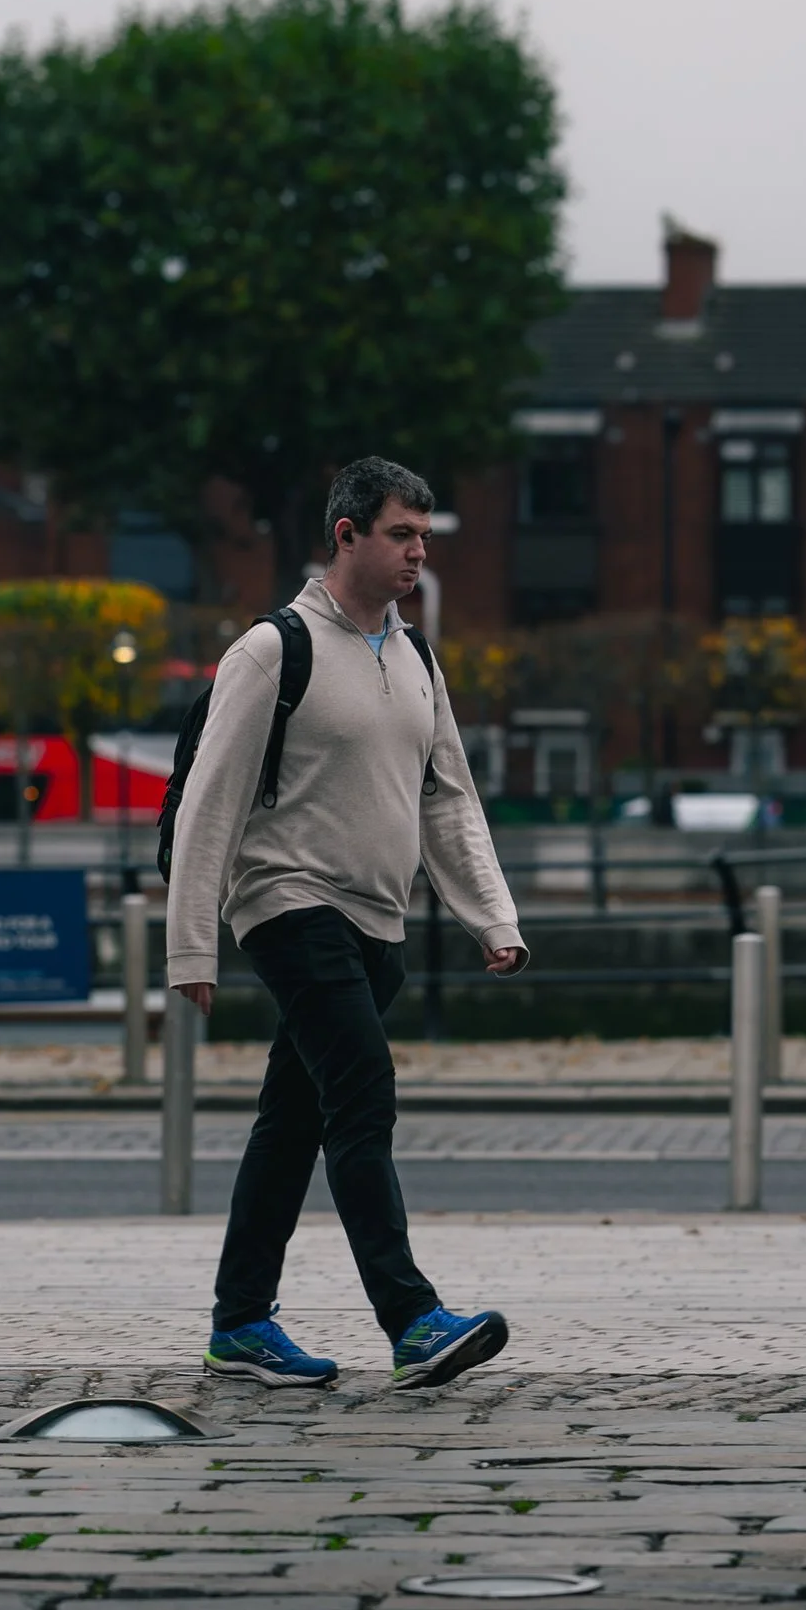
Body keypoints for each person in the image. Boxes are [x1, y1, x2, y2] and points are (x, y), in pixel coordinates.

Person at [167, 455, 527, 1391]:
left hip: (377, 918)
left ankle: (238, 1323)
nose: (418, 552)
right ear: (347, 534)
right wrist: (191, 942)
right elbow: (211, 801)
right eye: (402, 533)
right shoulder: (270, 650)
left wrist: (492, 916)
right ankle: (412, 1321)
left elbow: (449, 798)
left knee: (291, 1123)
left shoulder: (415, 657)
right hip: (288, 901)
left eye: (424, 536)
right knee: (362, 1090)